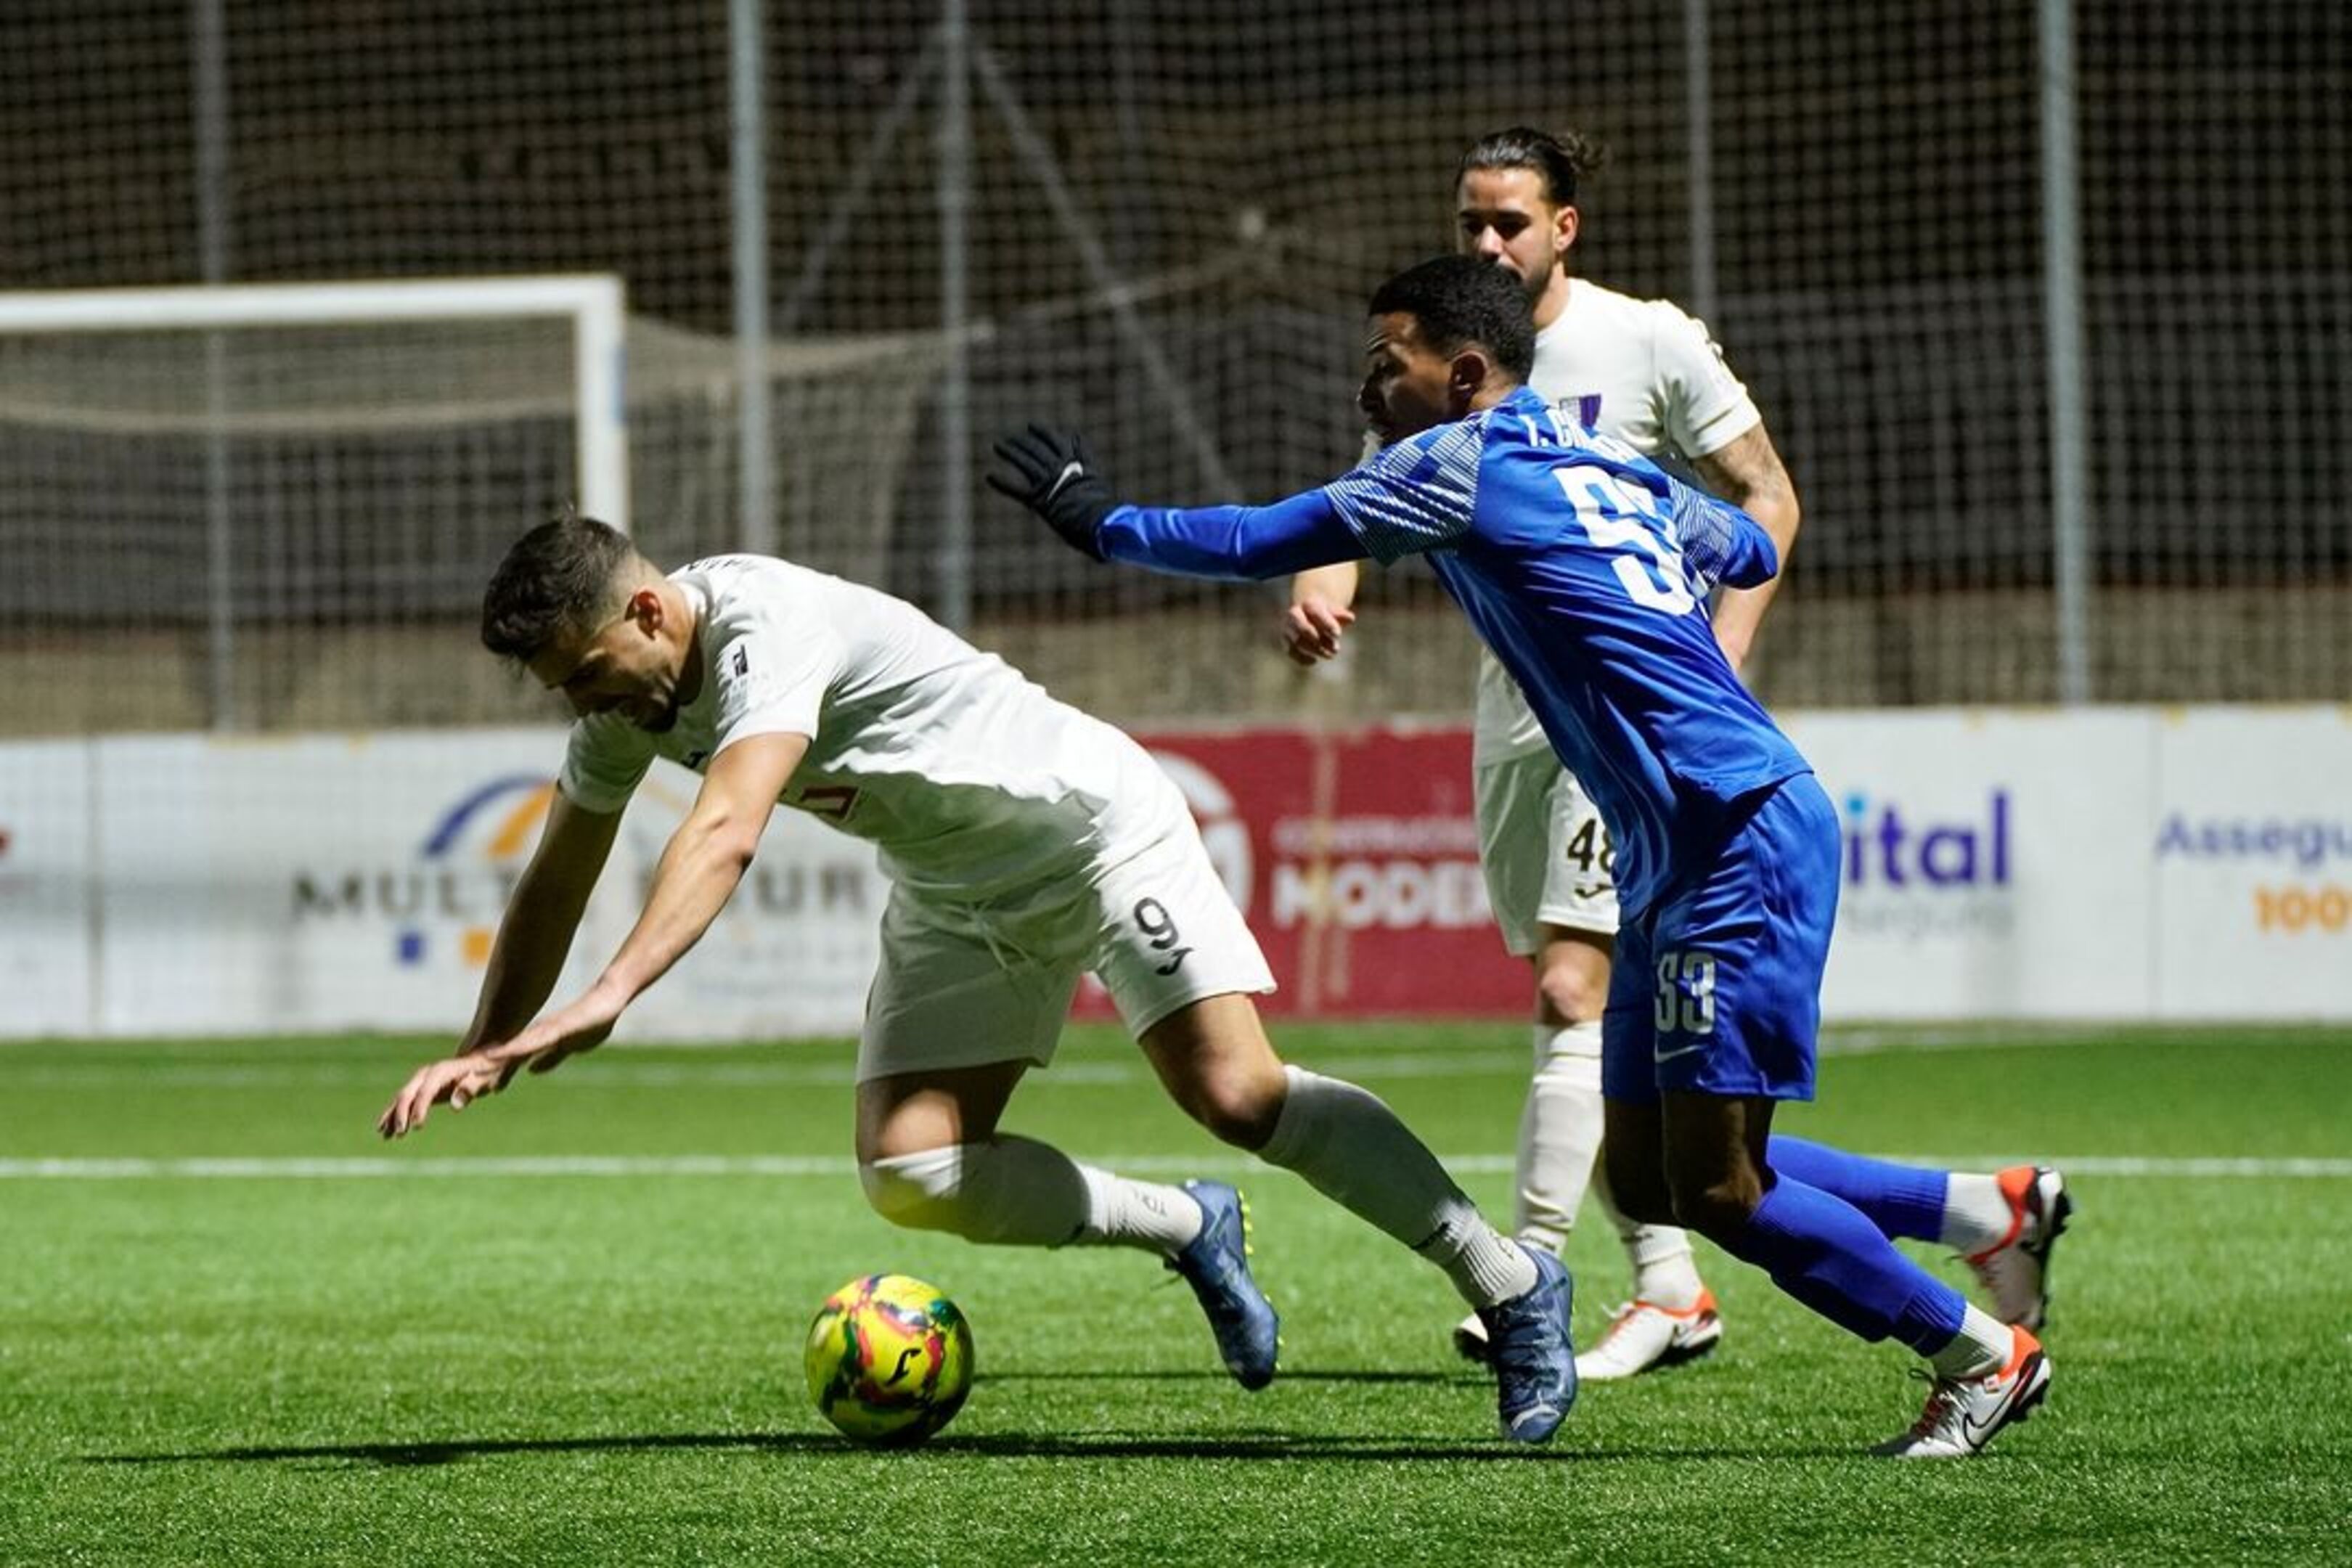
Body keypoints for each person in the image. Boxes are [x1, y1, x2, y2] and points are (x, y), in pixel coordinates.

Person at [988, 254, 2067, 1458]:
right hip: (1681, 839)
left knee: (1718, 1190)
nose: (1365, 389)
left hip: (1733, 832)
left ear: (1459, 375)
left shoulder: (1454, 462)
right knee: (1651, 1174)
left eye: (1381, 363)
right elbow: (1748, 550)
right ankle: (1982, 1207)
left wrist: (1100, 520)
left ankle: (1980, 1355)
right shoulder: (1610, 460)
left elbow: (1255, 538)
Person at [375, 515, 1577, 1443]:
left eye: (587, 672)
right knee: (911, 1171)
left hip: (1094, 835)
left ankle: (1511, 1283)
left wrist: (609, 998)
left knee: (1236, 1096)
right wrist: (488, 1044)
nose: (587, 704)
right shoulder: (625, 703)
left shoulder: (767, 624)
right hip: (958, 890)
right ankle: (1186, 1225)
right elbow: (552, 884)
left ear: (646, 608)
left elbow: (726, 830)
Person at [1284, 127, 1798, 1380]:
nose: (1486, 244)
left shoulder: (1648, 340)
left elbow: (1766, 499)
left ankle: (1531, 1273)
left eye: (1510, 222)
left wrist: (1722, 656)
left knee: (1579, 987)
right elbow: (1372, 492)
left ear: (1566, 226)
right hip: (1515, 718)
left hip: (1628, 728)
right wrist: (1324, 570)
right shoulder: (1441, 354)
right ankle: (1697, 1280)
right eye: (1471, 222)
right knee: (1568, 1006)